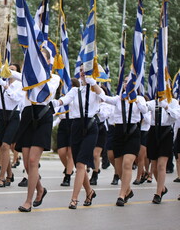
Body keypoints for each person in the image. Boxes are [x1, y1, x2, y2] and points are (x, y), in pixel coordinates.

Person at [14, 48, 60, 212]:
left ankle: (28, 200)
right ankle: (40, 189)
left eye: (42, 58)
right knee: (27, 163)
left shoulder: (54, 78)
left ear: (49, 61)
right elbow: (17, 76)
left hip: (42, 116)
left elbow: (45, 92)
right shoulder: (27, 77)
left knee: (33, 161)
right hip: (28, 116)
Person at [54, 69, 106, 209]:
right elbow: (64, 100)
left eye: (86, 72)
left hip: (90, 126)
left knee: (81, 164)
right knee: (78, 164)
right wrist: (54, 103)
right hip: (76, 126)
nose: (83, 74)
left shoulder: (95, 90)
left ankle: (74, 198)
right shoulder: (75, 91)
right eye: (82, 72)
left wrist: (93, 82)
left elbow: (103, 96)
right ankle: (89, 191)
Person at [99, 76, 148, 206]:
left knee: (127, 163)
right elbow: (104, 97)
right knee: (119, 166)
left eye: (130, 82)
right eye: (125, 81)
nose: (127, 83)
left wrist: (135, 100)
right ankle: (128, 190)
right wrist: (93, 83)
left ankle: (121, 195)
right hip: (119, 132)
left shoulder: (140, 99)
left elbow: (144, 110)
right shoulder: (118, 99)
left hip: (133, 132)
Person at [145, 95, 180, 203]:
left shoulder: (173, 102)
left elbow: (176, 116)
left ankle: (158, 193)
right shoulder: (153, 102)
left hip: (166, 132)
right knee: (154, 166)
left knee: (161, 165)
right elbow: (143, 108)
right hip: (153, 131)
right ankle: (162, 188)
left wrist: (166, 107)